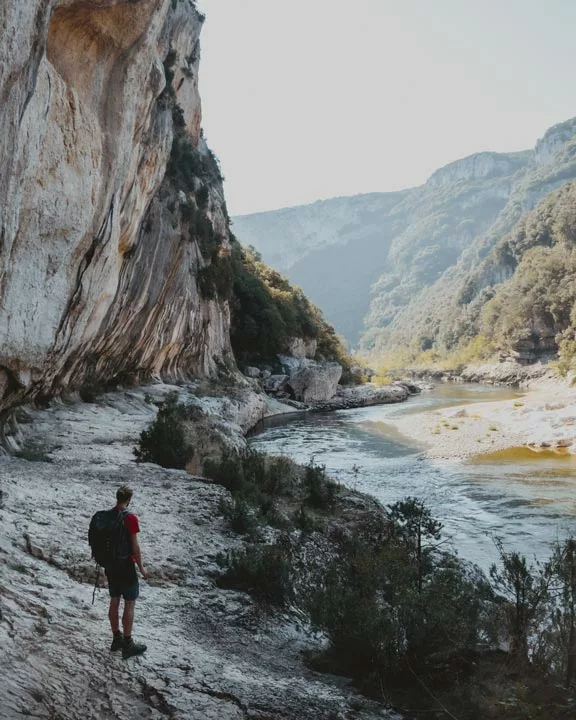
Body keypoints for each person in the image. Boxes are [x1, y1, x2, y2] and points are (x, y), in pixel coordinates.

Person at [106, 485, 148, 659]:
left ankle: (116, 639)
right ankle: (128, 644)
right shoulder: (130, 518)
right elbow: (135, 547)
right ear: (129, 500)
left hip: (110, 566)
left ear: (117, 498)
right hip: (126, 566)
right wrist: (142, 568)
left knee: (114, 600)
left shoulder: (107, 516)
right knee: (129, 603)